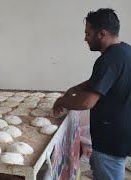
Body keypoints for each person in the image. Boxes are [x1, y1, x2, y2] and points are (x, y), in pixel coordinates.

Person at [53, 8, 131, 180]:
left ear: (102, 33)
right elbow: (104, 81)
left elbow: (87, 102)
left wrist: (62, 101)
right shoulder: (125, 51)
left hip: (110, 140)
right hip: (122, 133)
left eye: (88, 33)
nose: (85, 38)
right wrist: (76, 88)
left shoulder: (107, 60)